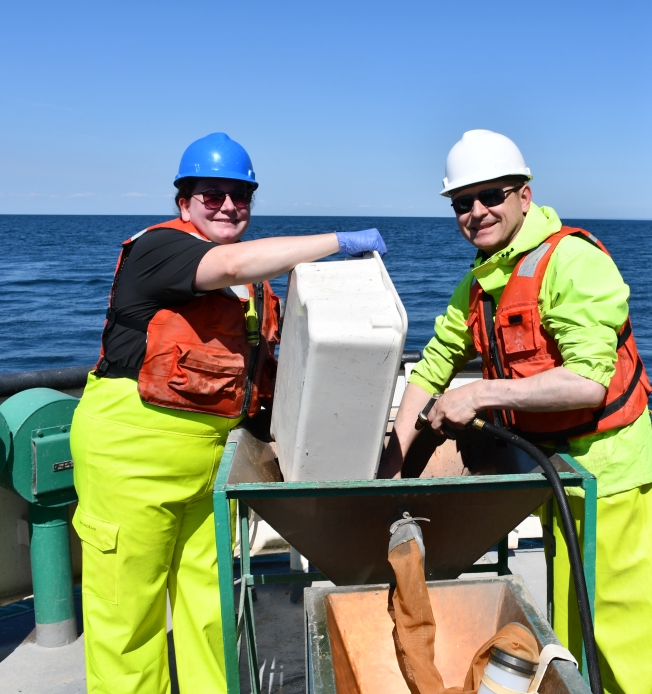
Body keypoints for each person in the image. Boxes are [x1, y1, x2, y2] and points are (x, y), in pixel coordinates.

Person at [69, 132, 386, 694]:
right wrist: (335, 240)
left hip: (211, 466)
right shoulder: (161, 249)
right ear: (183, 202)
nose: (227, 207)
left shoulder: (256, 289)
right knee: (128, 620)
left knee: (210, 610)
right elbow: (231, 262)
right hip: (129, 457)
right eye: (210, 195)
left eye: (240, 196)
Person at [379, 129, 652, 693]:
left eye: (492, 196)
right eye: (462, 203)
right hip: (554, 477)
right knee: (573, 623)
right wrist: (388, 474)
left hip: (614, 478)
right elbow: (431, 369)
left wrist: (480, 394)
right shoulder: (479, 285)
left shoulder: (573, 263)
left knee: (626, 632)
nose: (476, 212)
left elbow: (587, 383)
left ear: (524, 196)